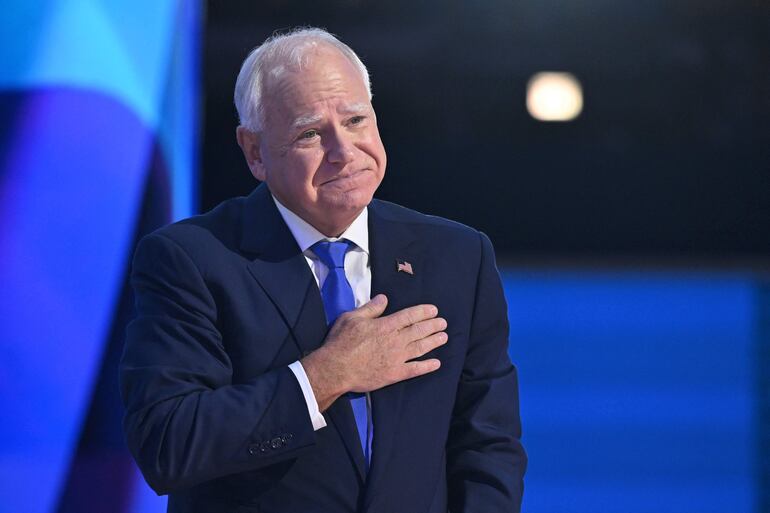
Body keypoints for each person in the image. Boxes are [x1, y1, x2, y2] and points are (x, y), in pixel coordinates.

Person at [120, 27, 526, 513]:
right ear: (254, 152)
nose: (344, 151)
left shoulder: (459, 255)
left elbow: (487, 446)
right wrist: (324, 376)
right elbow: (169, 444)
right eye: (311, 133)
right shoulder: (190, 259)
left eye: (356, 120)